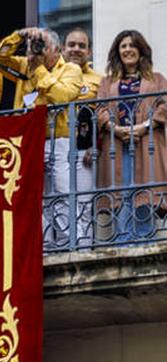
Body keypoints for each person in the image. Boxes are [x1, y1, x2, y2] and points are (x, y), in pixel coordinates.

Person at [0, 28, 83, 247]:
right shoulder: (25, 65)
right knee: (33, 197)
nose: (37, 51)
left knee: (62, 193)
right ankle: (46, 247)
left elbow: (61, 97)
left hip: (57, 140)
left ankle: (76, 243)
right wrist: (20, 36)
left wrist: (39, 69)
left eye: (42, 46)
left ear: (57, 50)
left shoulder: (70, 69)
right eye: (35, 47)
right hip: (28, 142)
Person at [96, 31, 167, 242]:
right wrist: (116, 129)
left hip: (147, 143)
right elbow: (99, 110)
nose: (127, 50)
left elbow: (164, 106)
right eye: (123, 46)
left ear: (141, 50)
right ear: (118, 52)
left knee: (145, 194)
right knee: (121, 193)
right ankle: (122, 242)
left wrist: (144, 126)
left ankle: (144, 241)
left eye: (132, 45)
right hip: (117, 145)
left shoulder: (156, 79)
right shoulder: (107, 83)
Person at [62, 28, 100, 242]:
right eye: (72, 44)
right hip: (54, 148)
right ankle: (55, 250)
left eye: (81, 46)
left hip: (83, 151)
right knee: (54, 204)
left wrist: (96, 144)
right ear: (62, 48)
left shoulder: (98, 80)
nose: (76, 49)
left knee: (84, 204)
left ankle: (83, 247)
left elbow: (104, 116)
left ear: (90, 52)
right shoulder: (52, 74)